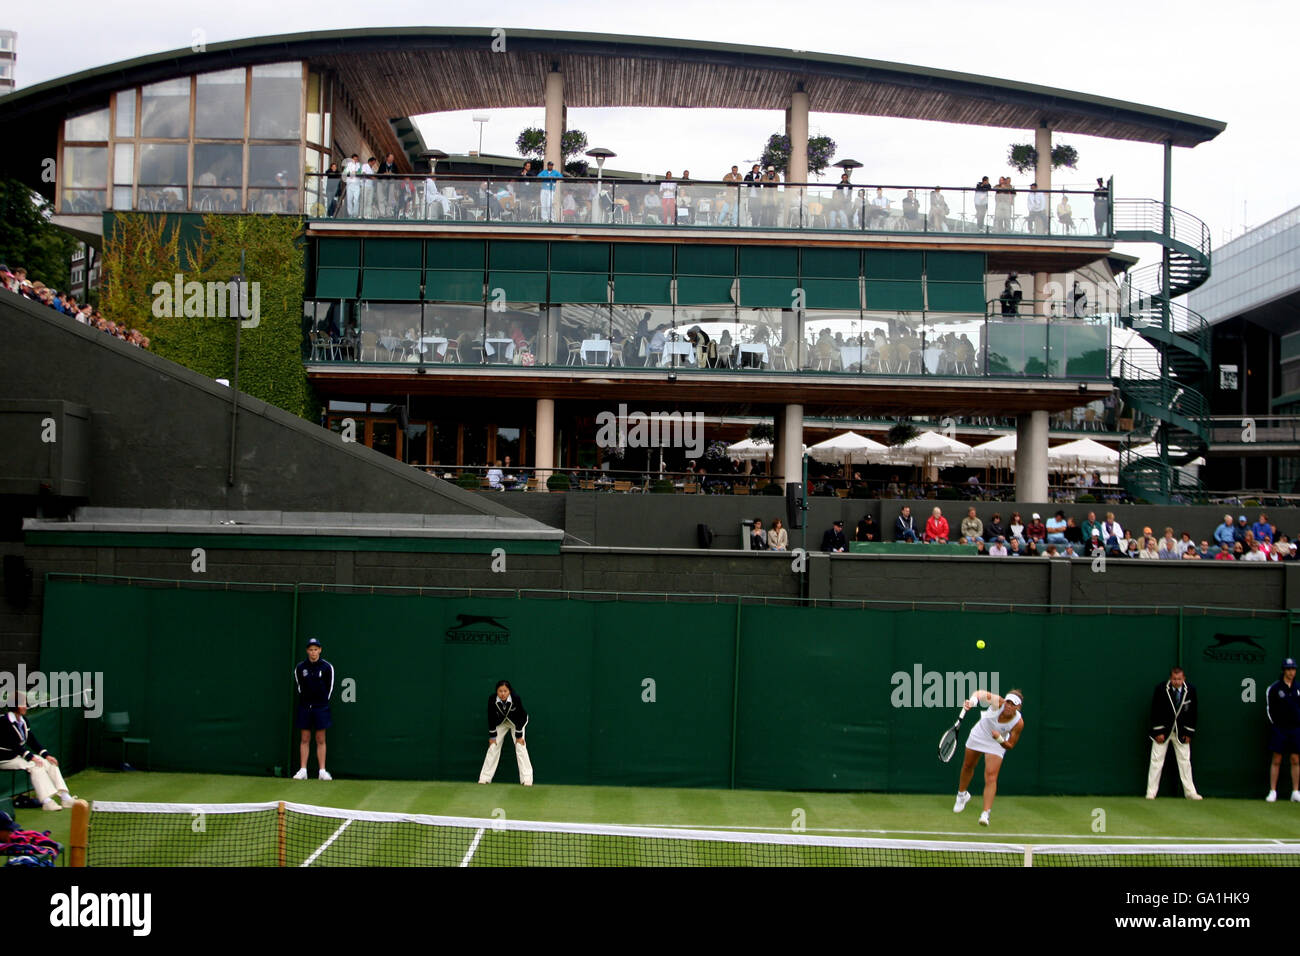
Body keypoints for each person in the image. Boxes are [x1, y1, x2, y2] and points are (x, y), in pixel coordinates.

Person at [953, 689, 1026, 827]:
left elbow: (1010, 745)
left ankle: (985, 814)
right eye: (1008, 702)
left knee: (991, 776)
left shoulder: (1018, 723)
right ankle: (962, 795)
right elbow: (979, 694)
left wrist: (999, 739)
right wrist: (972, 701)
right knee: (968, 765)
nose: (1008, 706)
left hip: (997, 742)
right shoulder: (998, 702)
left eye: (1013, 704)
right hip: (980, 733)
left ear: (1018, 707)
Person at [0, 693, 76, 811]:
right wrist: (32, 758)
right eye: (23, 704)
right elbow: (14, 745)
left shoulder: (24, 720)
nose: (26, 706)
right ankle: (46, 801)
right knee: (35, 766)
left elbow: (31, 740)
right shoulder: (4, 721)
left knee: (50, 763)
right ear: (15, 706)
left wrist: (46, 755)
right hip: (5, 758)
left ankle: (65, 798)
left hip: (17, 756)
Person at [1145, 667, 1202, 799]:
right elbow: (1155, 710)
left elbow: (1193, 712)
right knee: (1156, 761)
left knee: (1185, 761)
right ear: (1170, 678)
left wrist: (1189, 732)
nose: (1177, 682)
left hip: (1181, 732)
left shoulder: (1191, 690)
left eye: (1179, 679)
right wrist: (1158, 731)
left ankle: (1190, 792)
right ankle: (1151, 792)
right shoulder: (1160, 689)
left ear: (1184, 678)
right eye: (1174, 679)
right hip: (1163, 732)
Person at [292, 637, 334, 780]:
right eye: (311, 650)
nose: (313, 652)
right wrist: (307, 701)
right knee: (305, 738)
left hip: (321, 707)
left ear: (320, 650)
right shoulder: (300, 667)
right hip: (305, 707)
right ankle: (303, 770)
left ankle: (322, 771)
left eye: (316, 649)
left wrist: (320, 702)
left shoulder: (327, 667)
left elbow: (329, 688)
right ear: (307, 651)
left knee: (320, 738)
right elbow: (299, 686)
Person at [478, 679, 533, 786]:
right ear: (496, 692)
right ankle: (485, 777)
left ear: (509, 691)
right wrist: (492, 736)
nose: (503, 694)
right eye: (500, 691)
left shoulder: (516, 698)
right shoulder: (492, 699)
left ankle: (527, 779)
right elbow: (491, 717)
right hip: (501, 723)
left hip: (517, 723)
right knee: (493, 746)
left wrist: (519, 736)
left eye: (505, 691)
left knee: (520, 746)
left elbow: (520, 718)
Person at [1265, 658, 1300, 802]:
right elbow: (1269, 709)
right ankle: (1273, 791)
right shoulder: (1274, 688)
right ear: (1284, 671)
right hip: (1280, 729)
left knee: (1295, 759)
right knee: (1277, 759)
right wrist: (1276, 725)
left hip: (1296, 729)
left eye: (1293, 669)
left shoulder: (1298, 688)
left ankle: (1295, 792)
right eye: (1289, 669)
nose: (1291, 672)